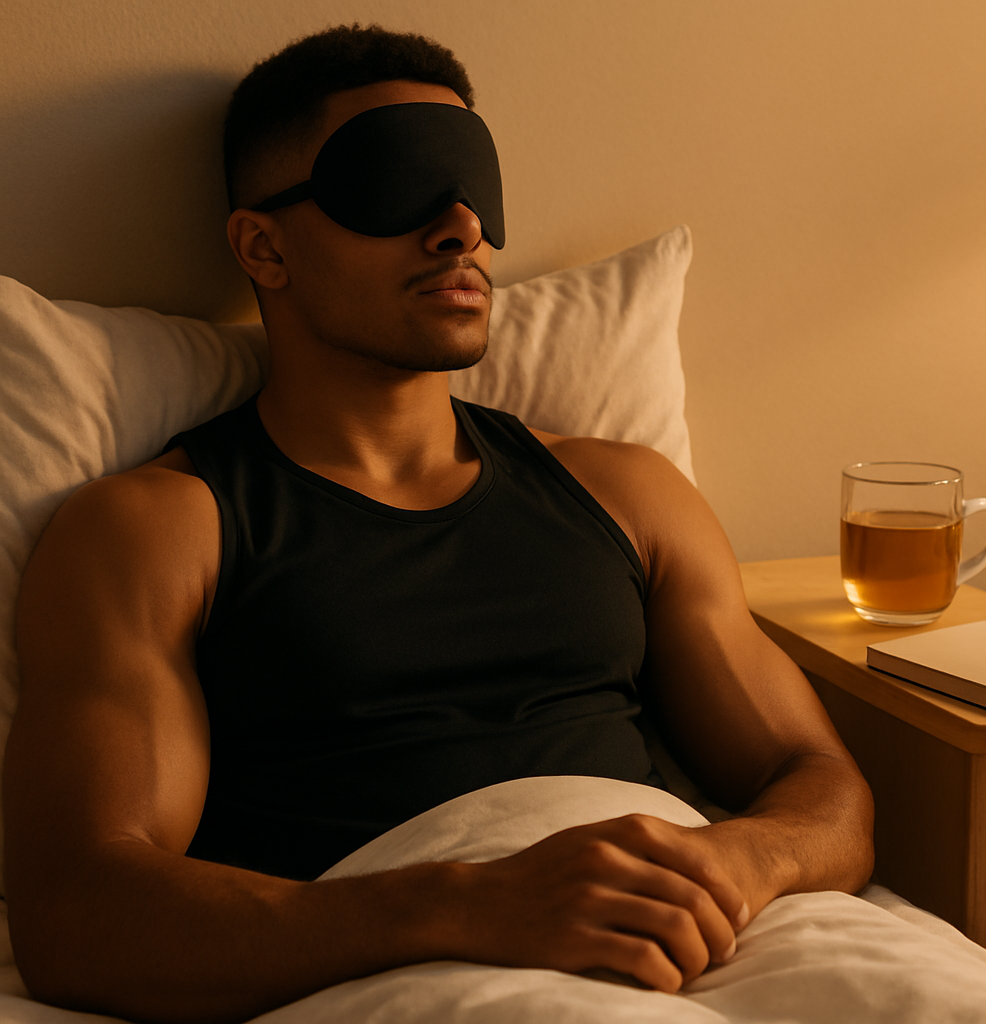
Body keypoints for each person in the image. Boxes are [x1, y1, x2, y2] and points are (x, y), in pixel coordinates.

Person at [4, 22, 874, 1024]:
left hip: (712, 933)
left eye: (473, 185)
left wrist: (737, 861)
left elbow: (822, 785)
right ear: (263, 246)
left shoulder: (629, 495)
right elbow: (77, 914)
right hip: (413, 969)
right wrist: (475, 905)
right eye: (395, 181)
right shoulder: (158, 530)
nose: (462, 225)